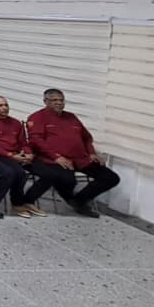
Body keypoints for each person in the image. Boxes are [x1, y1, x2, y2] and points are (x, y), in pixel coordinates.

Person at [25, 89, 119, 218]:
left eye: (61, 100)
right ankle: (71, 201)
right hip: (54, 160)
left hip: (80, 159)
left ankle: (79, 201)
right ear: (45, 101)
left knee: (110, 178)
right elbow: (36, 140)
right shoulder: (37, 117)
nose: (59, 103)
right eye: (54, 100)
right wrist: (56, 157)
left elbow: (86, 138)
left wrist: (91, 153)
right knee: (67, 180)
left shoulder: (71, 117)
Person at [0, 95, 44, 218]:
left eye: (6, 105)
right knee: (17, 173)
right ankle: (15, 203)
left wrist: (28, 153)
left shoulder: (16, 123)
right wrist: (10, 155)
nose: (4, 108)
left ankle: (27, 201)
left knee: (47, 171)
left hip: (17, 155)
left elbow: (23, 142)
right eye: (0, 105)